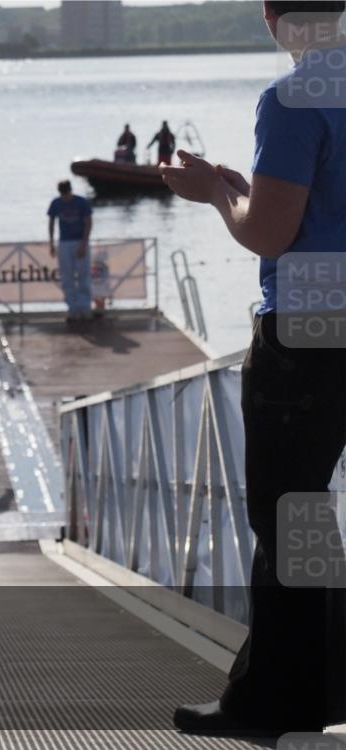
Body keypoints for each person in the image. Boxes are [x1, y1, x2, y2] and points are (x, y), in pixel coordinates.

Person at [162, 0, 346, 736]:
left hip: (310, 331)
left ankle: (281, 701)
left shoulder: (296, 97)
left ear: (272, 14)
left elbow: (270, 230)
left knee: (293, 514)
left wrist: (216, 192)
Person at [47, 180, 94, 322]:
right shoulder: (56, 203)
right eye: (62, 194)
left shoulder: (81, 202)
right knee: (67, 277)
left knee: (83, 276)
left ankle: (85, 307)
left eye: (66, 193)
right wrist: (51, 242)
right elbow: (51, 223)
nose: (65, 197)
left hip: (79, 240)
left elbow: (88, 222)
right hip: (64, 242)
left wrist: (84, 243)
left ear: (70, 190)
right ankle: (72, 308)